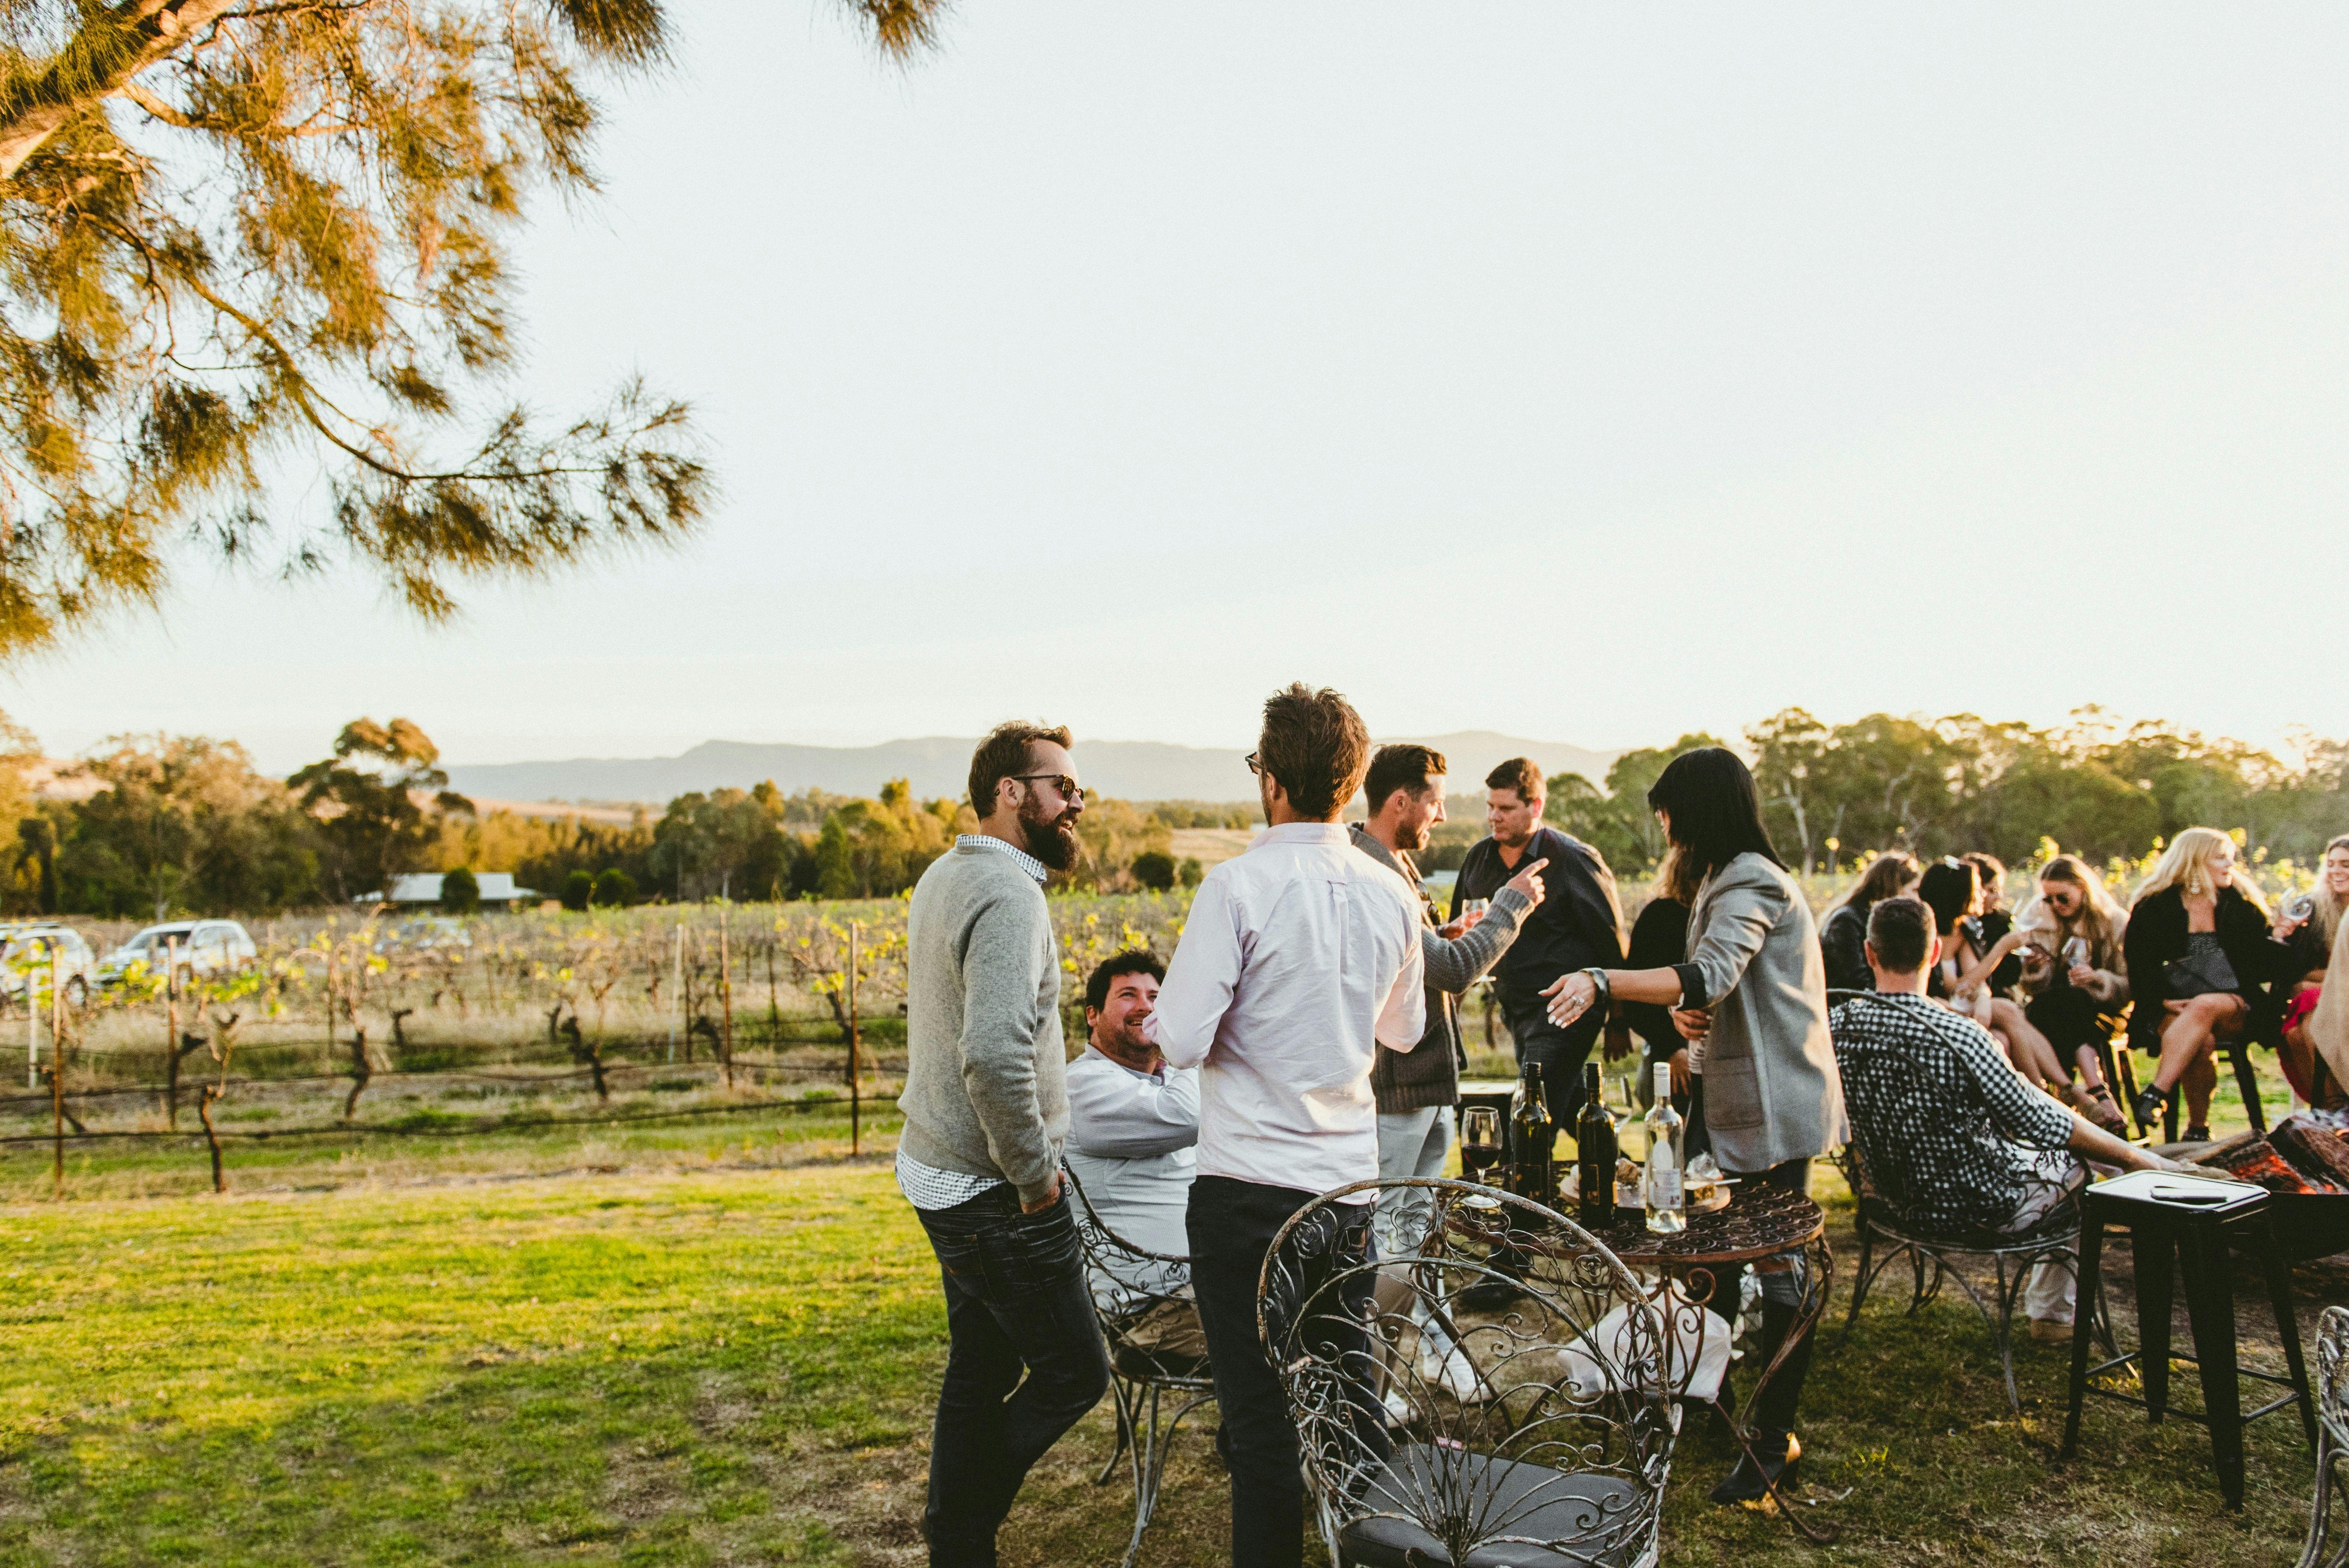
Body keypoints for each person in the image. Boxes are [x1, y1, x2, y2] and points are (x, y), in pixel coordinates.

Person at [1145, 683, 1425, 1568]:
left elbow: (1182, 1037)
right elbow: (1405, 1030)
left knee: (1259, 1427)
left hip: (1241, 1196)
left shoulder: (1235, 885)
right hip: (1341, 1195)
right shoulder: (1389, 895)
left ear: (1272, 780)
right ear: (1347, 787)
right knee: (1345, 1409)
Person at [1540, 746, 1843, 1506]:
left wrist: (1603, 980)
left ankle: (1775, 1439)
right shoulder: (1722, 876)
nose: (1666, 829)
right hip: (1731, 1095)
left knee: (1779, 1269)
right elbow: (1723, 988)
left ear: (1697, 809)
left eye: (1670, 812)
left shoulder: (1750, 877)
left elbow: (1713, 972)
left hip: (1771, 1107)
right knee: (1712, 1255)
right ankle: (1709, 1399)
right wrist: (1685, 1013)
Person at [898, 721, 1108, 1568]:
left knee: (978, 1368)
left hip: (938, 1169)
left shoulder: (945, 873)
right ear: (1011, 792)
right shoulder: (1010, 893)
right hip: (992, 1189)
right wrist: (1033, 1178)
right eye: (1062, 785)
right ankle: (959, 1530)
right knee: (1075, 1374)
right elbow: (989, 1052)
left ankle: (958, 1545)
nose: (1077, 802)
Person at [1831, 896, 2195, 1340]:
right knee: (2078, 1166)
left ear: (1870, 953)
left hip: (1885, 1199)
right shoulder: (1958, 1033)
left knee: (2074, 1153)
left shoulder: (1839, 1022)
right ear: (1934, 953)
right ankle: (2051, 1316)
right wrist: (2133, 1159)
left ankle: (2147, 1165)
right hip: (1974, 1206)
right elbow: (2040, 1121)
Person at [1349, 742, 1544, 1402]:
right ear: (1399, 800)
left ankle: (1408, 1364)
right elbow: (1452, 971)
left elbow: (1423, 966)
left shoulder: (1397, 865)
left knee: (1413, 1235)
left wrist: (1450, 934)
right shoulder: (1370, 869)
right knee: (1394, 1243)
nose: (1440, 812)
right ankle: (1363, 1383)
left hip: (1424, 1080)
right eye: (1432, 798)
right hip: (1396, 1086)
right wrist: (1507, 910)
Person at [1450, 756, 1629, 1134]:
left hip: (1565, 1008)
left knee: (1530, 1120)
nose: (1493, 817)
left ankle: (1519, 1193)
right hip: (1515, 1008)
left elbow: (1611, 940)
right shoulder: (1478, 860)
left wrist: (1619, 1018)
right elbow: (1456, 939)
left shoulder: (1573, 859)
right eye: (1490, 807)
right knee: (1568, 1110)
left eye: (1505, 808)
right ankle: (1623, 1174)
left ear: (1536, 807)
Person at [2124, 826, 2294, 1140]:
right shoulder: (2154, 907)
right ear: (2195, 860)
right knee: (2199, 1043)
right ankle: (2198, 1130)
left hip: (2232, 1003)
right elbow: (2139, 965)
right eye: (2220, 858)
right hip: (2174, 1003)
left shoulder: (2239, 904)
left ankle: (2156, 1092)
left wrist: (2280, 938)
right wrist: (2161, 1001)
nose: (2230, 865)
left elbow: (2264, 965)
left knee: (2205, 1004)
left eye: (2230, 858)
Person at [1063, 949, 1196, 1295]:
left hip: (1201, 1287)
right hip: (1148, 1305)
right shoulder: (1083, 1084)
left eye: (1155, 997)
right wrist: (1190, 1046)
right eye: (1128, 995)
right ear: (1092, 1014)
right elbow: (1188, 1115)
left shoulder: (1169, 1083)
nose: (1146, 1006)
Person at [1917, 859, 2091, 1117]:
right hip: (1935, 1015)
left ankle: (2047, 1097)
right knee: (2009, 1011)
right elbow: (1934, 994)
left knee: (2004, 1035)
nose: (1983, 895)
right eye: (1979, 889)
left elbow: (1973, 982)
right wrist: (2002, 948)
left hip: (1962, 1011)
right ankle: (2048, 1099)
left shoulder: (1962, 929)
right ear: (1959, 895)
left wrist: (1984, 999)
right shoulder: (1925, 933)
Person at [2011, 853, 2132, 1133]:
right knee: (2053, 1005)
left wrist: (2098, 979)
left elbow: (2131, 985)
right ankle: (2097, 1093)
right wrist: (2036, 968)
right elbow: (2032, 989)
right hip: (2052, 1010)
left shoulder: (2113, 923)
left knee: (2072, 1002)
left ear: (2083, 889)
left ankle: (2067, 1109)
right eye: (2048, 898)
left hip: (2102, 1013)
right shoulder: (2042, 922)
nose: (2055, 904)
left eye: (2062, 897)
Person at [1621, 844, 1706, 1156]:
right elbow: (1636, 1000)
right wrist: (1672, 1048)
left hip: (1706, 1061)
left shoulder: (1719, 921)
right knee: (1671, 1157)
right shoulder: (1658, 917)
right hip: (1666, 1062)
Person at [2278, 836, 2349, 1102]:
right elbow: (2296, 974)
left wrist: (2324, 980)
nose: (2335, 871)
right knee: (2296, 1032)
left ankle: (2334, 1105)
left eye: (2345, 864)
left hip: (2331, 998)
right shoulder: (2314, 908)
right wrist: (2280, 935)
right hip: (2324, 997)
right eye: (2330, 864)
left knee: (2308, 1002)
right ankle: (2328, 1105)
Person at [1818, 851, 1922, 994]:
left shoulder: (1883, 922)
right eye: (1915, 890)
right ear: (1894, 888)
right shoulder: (1847, 921)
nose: (1919, 899)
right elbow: (1855, 982)